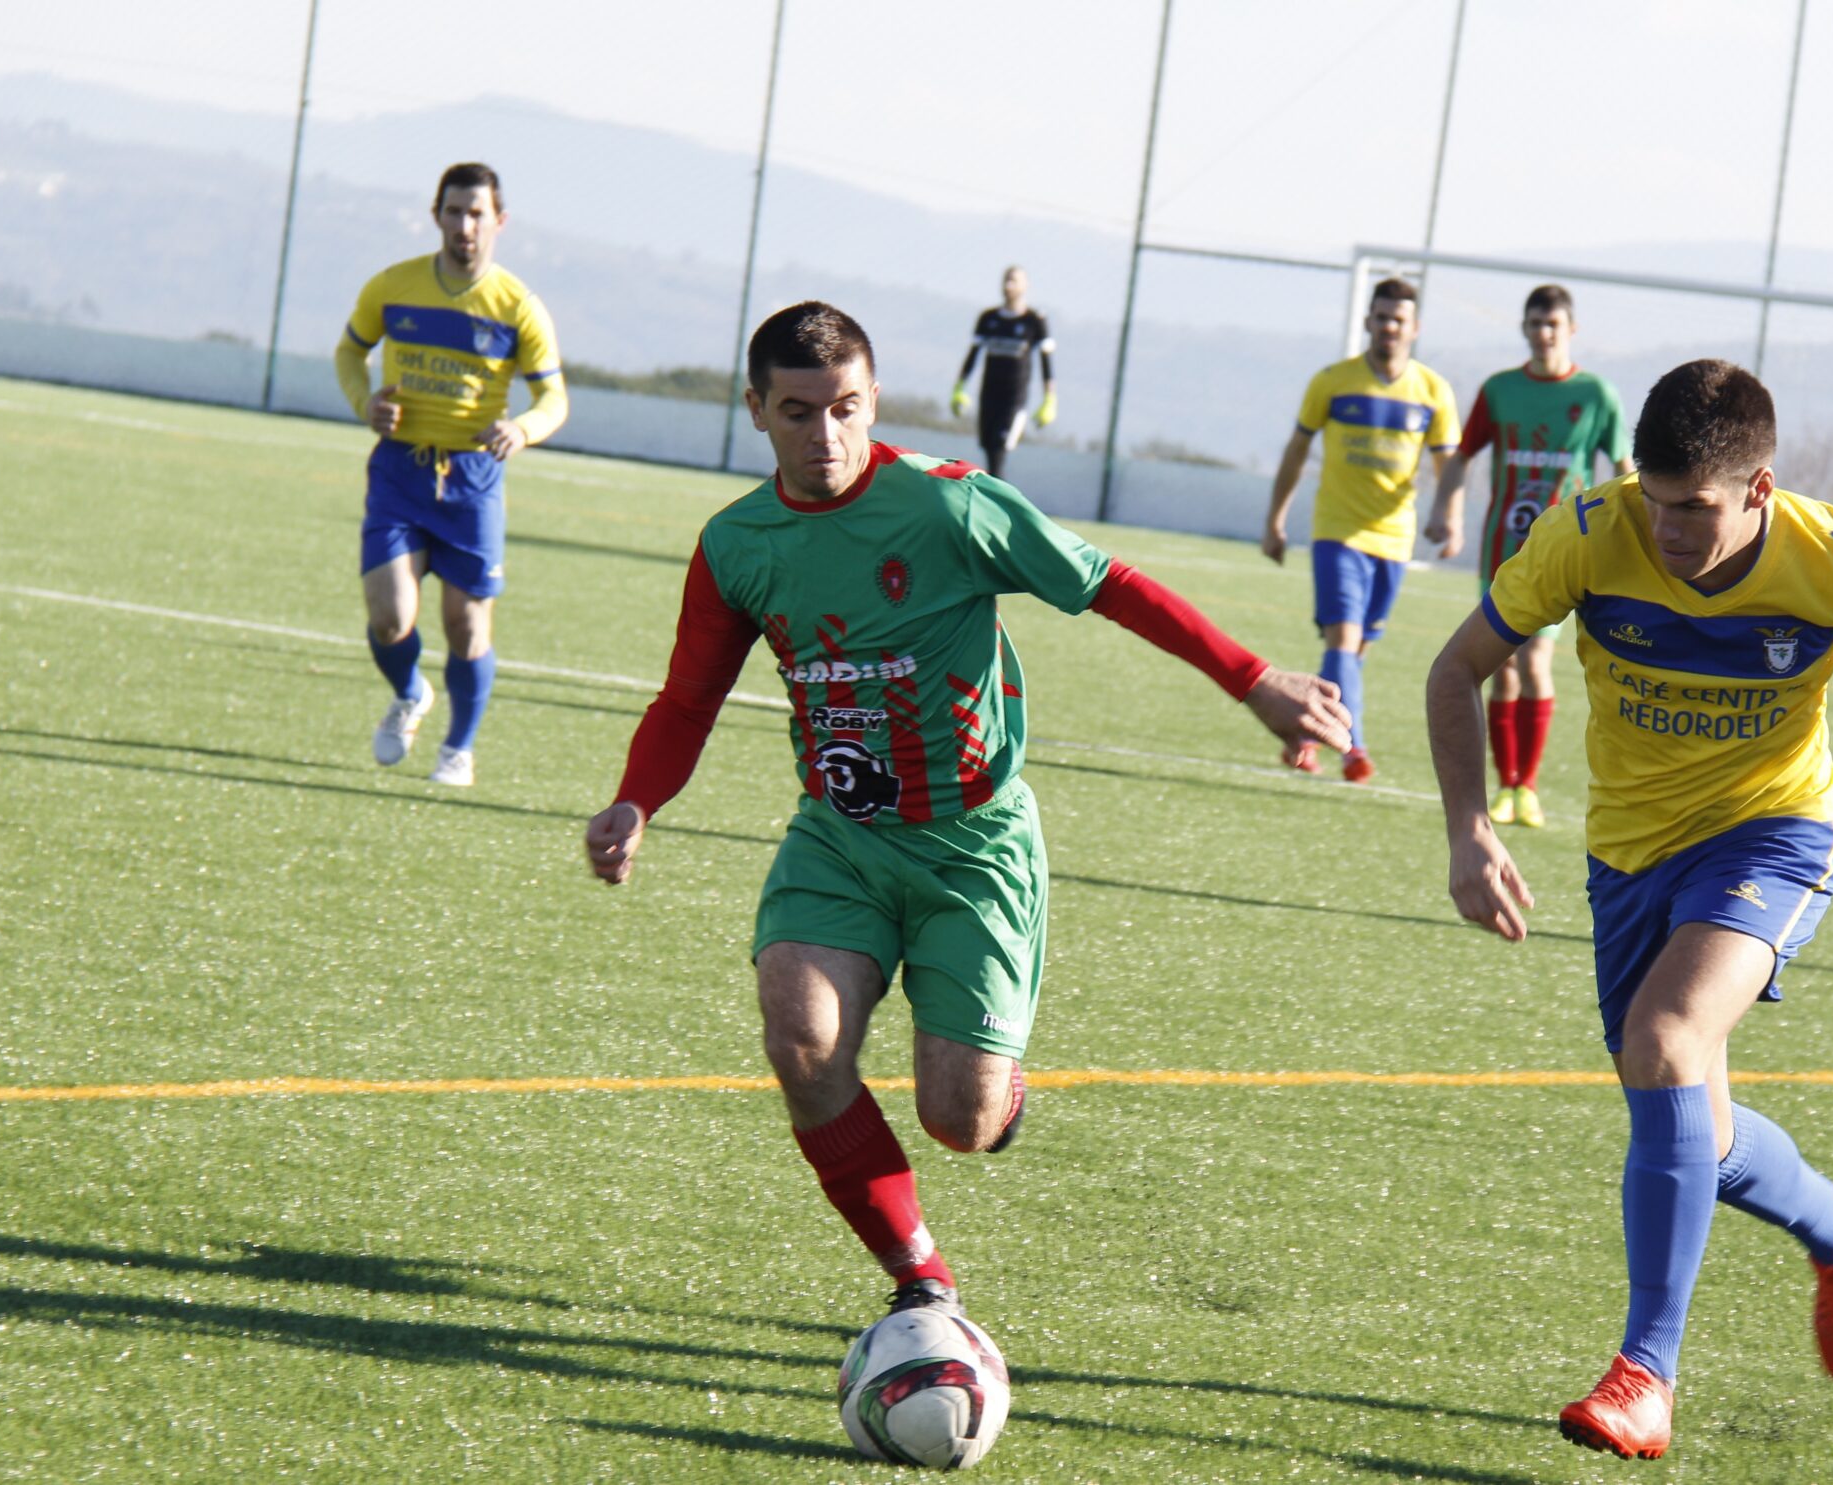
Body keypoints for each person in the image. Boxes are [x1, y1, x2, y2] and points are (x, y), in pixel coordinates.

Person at [587, 301, 1348, 1330]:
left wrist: (1251, 680)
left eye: (846, 407)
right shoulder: (737, 544)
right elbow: (688, 700)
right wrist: (639, 797)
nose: (826, 436)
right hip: (840, 839)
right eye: (799, 412)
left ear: (873, 397)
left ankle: (996, 1098)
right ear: (756, 411)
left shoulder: (950, 508)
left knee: (960, 1120)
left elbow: (1107, 584)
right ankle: (919, 1279)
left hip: (974, 846)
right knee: (800, 1037)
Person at [1423, 359, 1833, 1460]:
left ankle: (1646, 1373)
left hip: (1772, 836)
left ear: (1757, 489)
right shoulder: (1586, 533)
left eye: (1695, 509)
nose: (1671, 531)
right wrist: (1468, 828)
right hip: (1629, 856)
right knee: (1685, 1114)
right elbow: (1455, 669)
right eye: (1656, 502)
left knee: (1668, 1038)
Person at [335, 162, 566, 788]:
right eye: (455, 212)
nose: (465, 225)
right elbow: (349, 352)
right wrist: (366, 404)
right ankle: (411, 692)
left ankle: (458, 749)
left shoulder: (518, 306)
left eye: (477, 214)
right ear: (436, 214)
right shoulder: (393, 287)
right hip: (400, 471)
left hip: (472, 480)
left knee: (466, 627)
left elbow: (554, 400)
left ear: (499, 221)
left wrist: (522, 428)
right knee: (390, 617)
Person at [1425, 283, 1628, 829]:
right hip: (1504, 547)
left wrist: (1638, 533)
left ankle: (1528, 786)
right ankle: (1506, 787)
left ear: (1571, 330)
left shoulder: (1596, 395)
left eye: (1553, 326)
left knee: (1536, 663)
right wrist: (1445, 509)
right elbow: (1462, 455)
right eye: (1535, 325)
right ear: (1524, 329)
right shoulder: (1499, 391)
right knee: (1503, 670)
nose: (1543, 335)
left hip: (1569, 552)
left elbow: (1624, 470)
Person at [1262, 276, 1462, 785]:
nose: (1389, 327)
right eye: (1381, 318)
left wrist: (1449, 515)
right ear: (1368, 321)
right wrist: (1276, 519)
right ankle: (1354, 748)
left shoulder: (1433, 392)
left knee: (1352, 651)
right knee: (1344, 639)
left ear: (1413, 328)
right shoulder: (1332, 381)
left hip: (1394, 539)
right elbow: (1296, 451)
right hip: (1338, 533)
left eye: (1399, 320)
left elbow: (1449, 464)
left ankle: (1307, 737)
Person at [949, 266, 1054, 482]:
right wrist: (959, 388)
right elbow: (973, 355)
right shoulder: (988, 318)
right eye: (1006, 280)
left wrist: (1049, 399)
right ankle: (996, 502)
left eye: (1014, 280)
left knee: (999, 450)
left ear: (1026, 285)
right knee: (989, 447)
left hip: (1014, 399)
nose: (1009, 285)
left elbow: (1046, 361)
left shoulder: (1034, 321)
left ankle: (997, 506)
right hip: (989, 394)